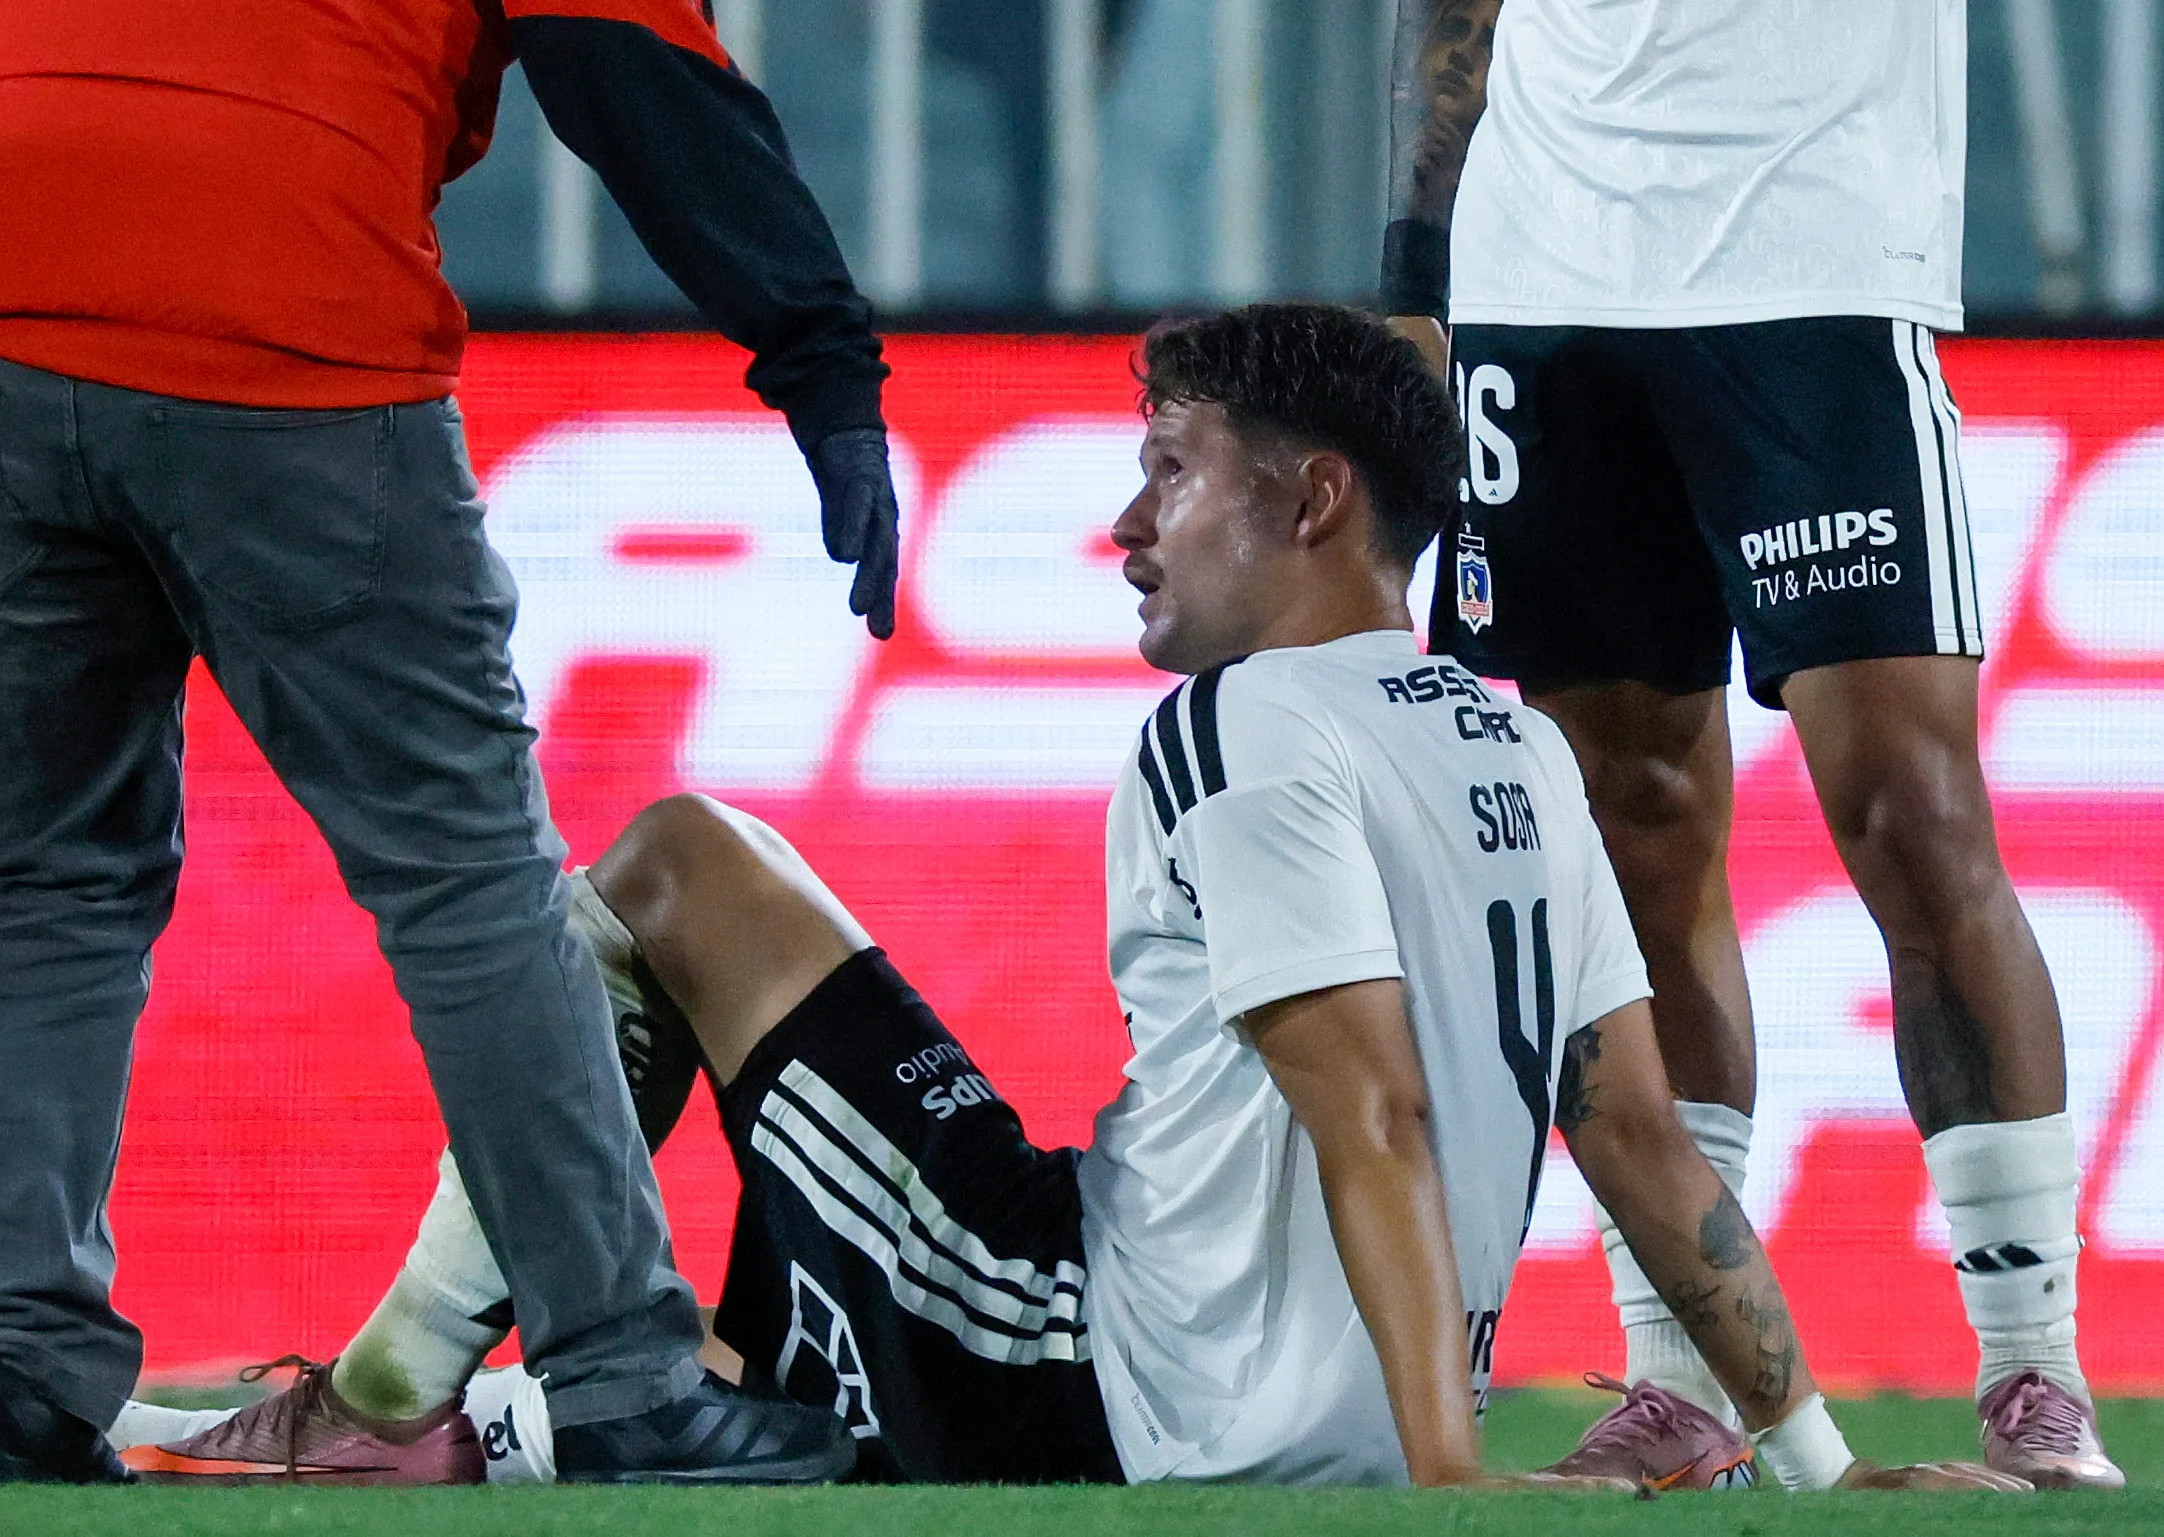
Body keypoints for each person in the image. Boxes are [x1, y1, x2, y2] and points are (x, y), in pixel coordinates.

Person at [107, 306, 2013, 1493]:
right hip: (1274, 1408)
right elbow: (1640, 1150)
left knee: (678, 863)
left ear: (1311, 501)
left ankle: (385, 1396)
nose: (1117, 528)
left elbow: (1372, 1107)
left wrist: (1453, 1477)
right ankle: (538, 1422)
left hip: (1087, 1377)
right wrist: (1819, 1462)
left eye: (1165, 472)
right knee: (759, 1309)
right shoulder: (1510, 755)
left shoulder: (1237, 732)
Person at [0, 0, 896, 1486]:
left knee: (57, 878)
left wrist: (38, 308)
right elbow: (639, 74)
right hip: (282, 313)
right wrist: (818, 357)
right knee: (468, 876)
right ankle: (619, 1374)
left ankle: (20, 1380)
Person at [1381, 0, 2120, 1490]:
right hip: (1541, 268)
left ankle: (2033, 1369)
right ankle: (1680, 1380)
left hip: (1815, 256)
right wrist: (1418, 274)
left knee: (1912, 816)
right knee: (1626, 826)